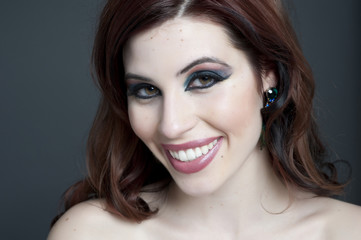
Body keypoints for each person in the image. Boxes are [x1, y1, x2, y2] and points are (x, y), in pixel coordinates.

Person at [48, 0, 361, 239]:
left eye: (204, 79)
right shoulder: (92, 233)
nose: (171, 125)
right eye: (146, 90)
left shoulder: (348, 231)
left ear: (268, 73)